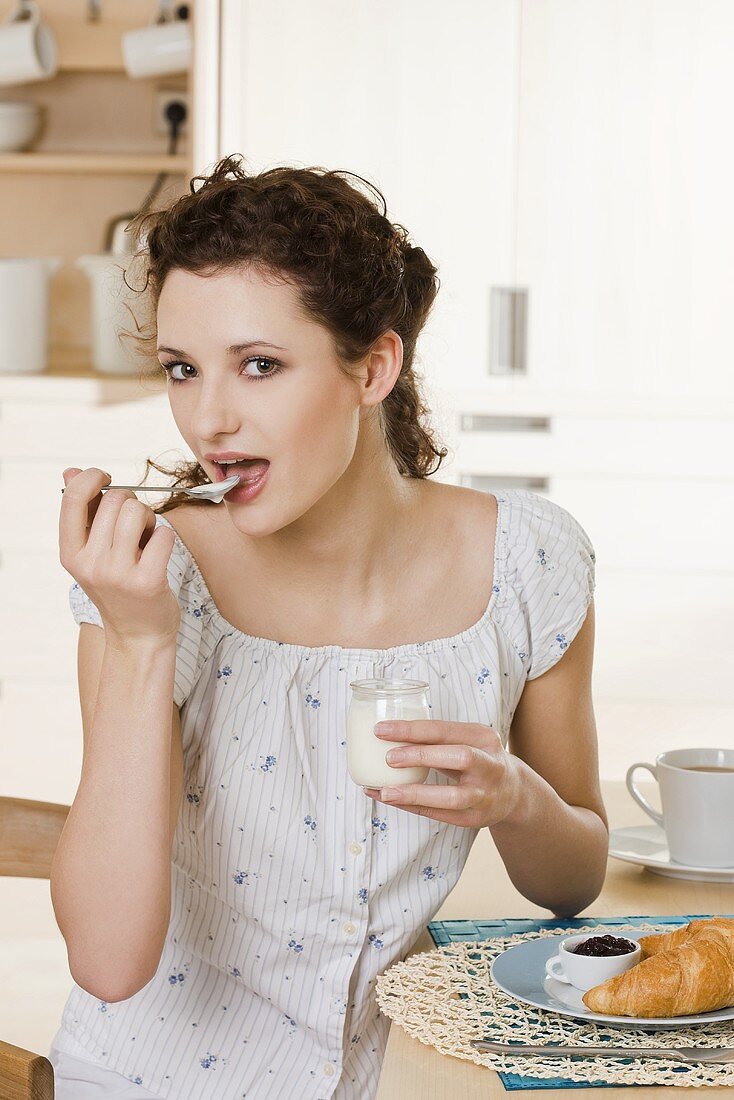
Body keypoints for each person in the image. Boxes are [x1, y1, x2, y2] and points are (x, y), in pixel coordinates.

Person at [50, 155, 608, 1100]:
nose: (209, 418)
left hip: (397, 1080)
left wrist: (515, 797)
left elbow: (573, 884)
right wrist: (143, 645)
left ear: (374, 367)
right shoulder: (155, 577)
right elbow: (108, 962)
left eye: (259, 365)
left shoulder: (530, 563)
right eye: (183, 370)